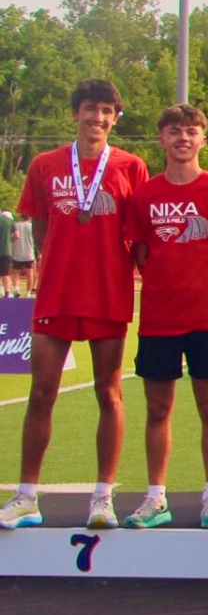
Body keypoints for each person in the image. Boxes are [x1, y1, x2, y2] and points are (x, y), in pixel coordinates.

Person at [0, 79, 150, 531]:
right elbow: (41, 233)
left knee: (110, 393)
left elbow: (138, 235)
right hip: (57, 295)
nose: (97, 118)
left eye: (106, 111)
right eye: (90, 109)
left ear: (115, 118)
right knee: (41, 393)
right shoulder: (46, 165)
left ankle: (103, 498)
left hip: (108, 294)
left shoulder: (131, 166)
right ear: (75, 113)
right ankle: (27, 497)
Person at [123, 104, 208, 529]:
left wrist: (203, 287)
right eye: (174, 131)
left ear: (203, 139)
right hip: (158, 319)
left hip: (206, 317)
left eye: (191, 131)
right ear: (162, 139)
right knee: (158, 410)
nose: (183, 138)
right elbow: (141, 253)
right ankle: (156, 498)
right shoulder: (144, 195)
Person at [11, 216, 34, 298]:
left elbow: (13, 237)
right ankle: (28, 293)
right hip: (29, 254)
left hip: (17, 253)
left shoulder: (15, 225)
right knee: (30, 274)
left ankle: (16, 290)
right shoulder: (31, 226)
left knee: (15, 273)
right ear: (29, 218)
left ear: (21, 217)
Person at [0, 210, 14, 298]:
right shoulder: (9, 221)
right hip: (6, 251)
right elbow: (17, 235)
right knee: (5, 274)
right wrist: (10, 242)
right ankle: (7, 293)